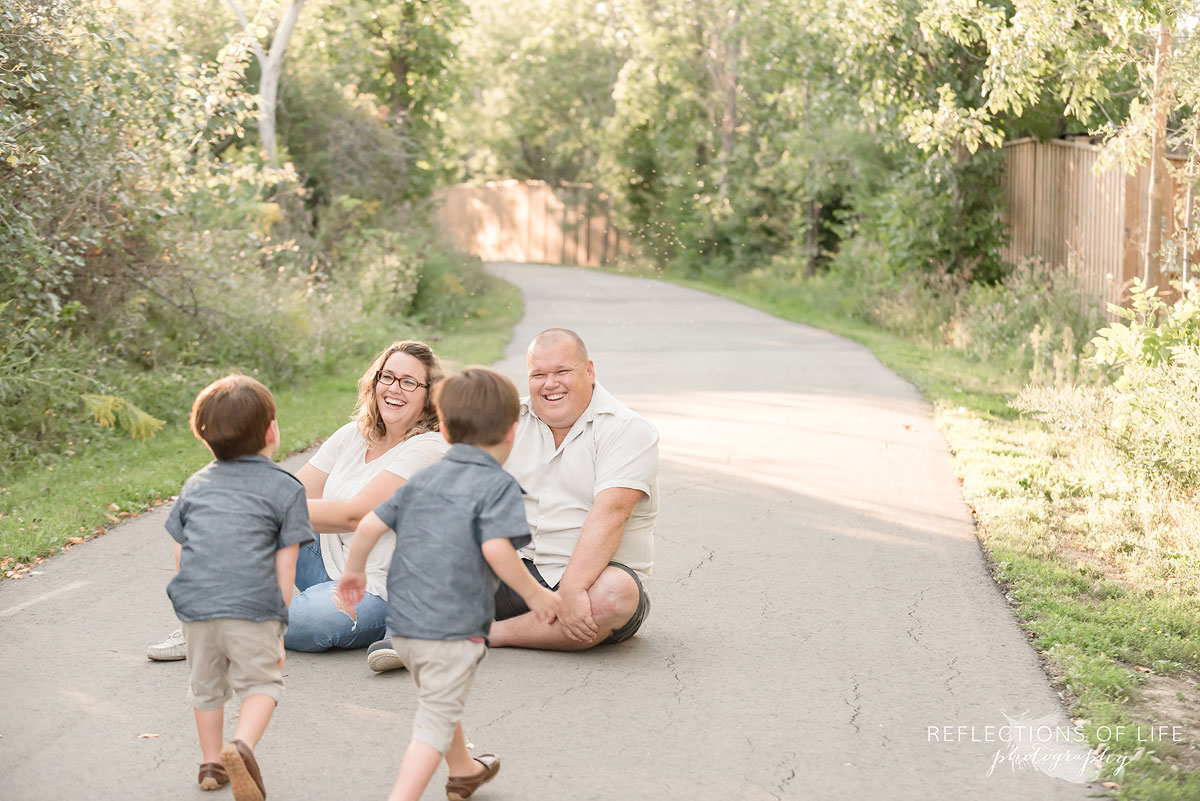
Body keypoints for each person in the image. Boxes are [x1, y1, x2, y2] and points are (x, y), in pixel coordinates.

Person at [365, 327, 657, 670]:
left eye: (562, 371)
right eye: (539, 375)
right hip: (512, 573)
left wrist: (574, 590)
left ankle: (484, 633)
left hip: (590, 579)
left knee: (615, 595)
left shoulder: (627, 430)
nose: (550, 384)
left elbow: (610, 514)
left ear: (589, 370)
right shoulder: (508, 420)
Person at [149, 340, 449, 666]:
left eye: (409, 382)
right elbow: (293, 492)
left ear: (429, 395)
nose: (394, 389)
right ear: (374, 381)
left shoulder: (429, 448)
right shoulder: (354, 434)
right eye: (387, 377)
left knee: (307, 621)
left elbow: (356, 516)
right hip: (326, 561)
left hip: (379, 586)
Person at [337, 367, 562, 801]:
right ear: (513, 433)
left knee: (439, 701)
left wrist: (354, 572)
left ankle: (463, 772)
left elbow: (367, 525)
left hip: (402, 627)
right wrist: (537, 595)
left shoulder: (422, 478)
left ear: (442, 428)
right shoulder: (496, 486)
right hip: (452, 629)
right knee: (433, 721)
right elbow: (497, 551)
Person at [164, 375, 314, 801]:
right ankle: (242, 746)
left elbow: (180, 553)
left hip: (196, 608)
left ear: (202, 435)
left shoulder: (195, 486)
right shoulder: (286, 488)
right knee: (263, 684)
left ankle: (211, 762)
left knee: (206, 688)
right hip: (252, 608)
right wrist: (278, 624)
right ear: (271, 431)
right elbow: (286, 564)